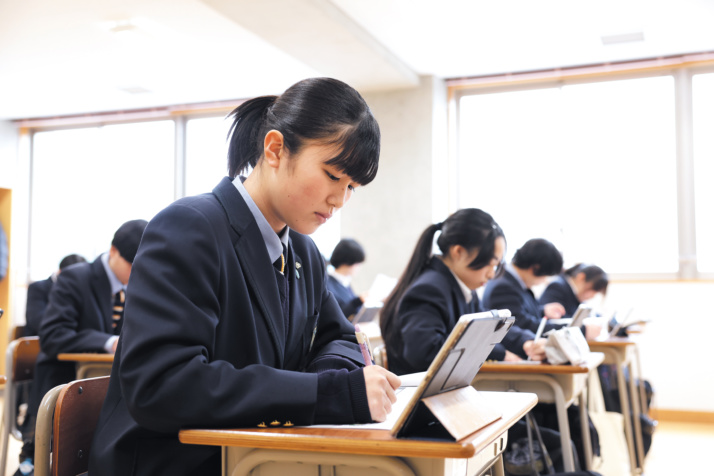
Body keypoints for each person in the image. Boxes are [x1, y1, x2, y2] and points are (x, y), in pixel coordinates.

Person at [88, 77, 400, 476]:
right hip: (176, 461)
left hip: (259, 455)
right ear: (274, 149)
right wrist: (324, 393)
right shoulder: (190, 227)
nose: (339, 200)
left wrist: (319, 385)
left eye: (352, 187)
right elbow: (162, 385)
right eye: (332, 175)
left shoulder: (302, 249)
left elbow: (339, 337)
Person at [15, 219, 147, 476]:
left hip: (106, 391)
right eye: (132, 265)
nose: (135, 273)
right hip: (63, 387)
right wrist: (108, 342)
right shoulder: (76, 278)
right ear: (113, 252)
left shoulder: (135, 287)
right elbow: (53, 335)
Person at [379, 208, 547, 377]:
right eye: (488, 263)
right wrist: (498, 354)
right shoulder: (429, 289)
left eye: (496, 266)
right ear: (458, 252)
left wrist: (526, 341)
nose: (491, 274)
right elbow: (425, 353)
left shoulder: (463, 286)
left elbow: (490, 326)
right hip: (424, 397)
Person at [482, 238, 567, 335]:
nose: (545, 281)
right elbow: (523, 324)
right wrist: (569, 327)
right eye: (545, 276)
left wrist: (543, 311)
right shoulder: (503, 288)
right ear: (535, 268)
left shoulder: (515, 282)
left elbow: (520, 311)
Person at [24, 253, 87, 337]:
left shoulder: (83, 290)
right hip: (38, 343)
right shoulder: (38, 288)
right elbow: (38, 323)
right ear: (60, 272)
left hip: (72, 342)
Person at [539, 263, 609, 317]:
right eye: (593, 289)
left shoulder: (576, 294)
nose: (592, 295)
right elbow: (558, 321)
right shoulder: (557, 287)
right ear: (581, 277)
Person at [326, 238, 367, 319]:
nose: (359, 268)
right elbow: (335, 314)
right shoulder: (328, 284)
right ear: (348, 261)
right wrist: (358, 301)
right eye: (357, 263)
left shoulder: (345, 283)